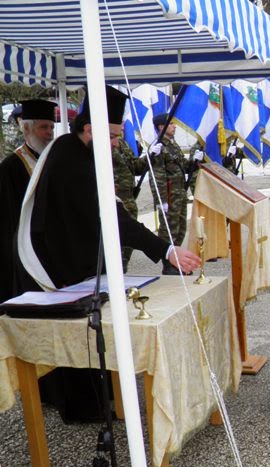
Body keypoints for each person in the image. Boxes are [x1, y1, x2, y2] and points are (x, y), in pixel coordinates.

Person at [16, 86, 200, 422]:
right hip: (60, 262)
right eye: (113, 136)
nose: (117, 143)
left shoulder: (79, 152)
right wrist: (165, 250)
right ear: (90, 129)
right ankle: (86, 409)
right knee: (78, 337)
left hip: (77, 253)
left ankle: (99, 400)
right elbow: (113, 219)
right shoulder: (70, 157)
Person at [0, 99, 56, 303]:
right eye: (43, 127)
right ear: (26, 129)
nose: (49, 132)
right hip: (25, 250)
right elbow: (8, 220)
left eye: (51, 126)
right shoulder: (11, 167)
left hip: (51, 246)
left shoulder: (52, 159)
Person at [149, 112, 191, 273]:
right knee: (168, 230)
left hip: (179, 194)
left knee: (180, 228)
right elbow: (157, 175)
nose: (174, 126)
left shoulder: (172, 145)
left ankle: (176, 260)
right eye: (171, 124)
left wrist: (195, 159)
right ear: (162, 126)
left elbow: (183, 166)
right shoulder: (158, 147)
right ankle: (167, 262)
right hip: (169, 195)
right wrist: (161, 200)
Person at [112, 132, 146, 271]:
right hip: (115, 195)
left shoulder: (123, 144)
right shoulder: (101, 143)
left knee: (130, 232)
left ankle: (123, 264)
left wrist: (149, 157)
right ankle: (116, 265)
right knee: (117, 232)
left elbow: (136, 167)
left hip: (129, 196)